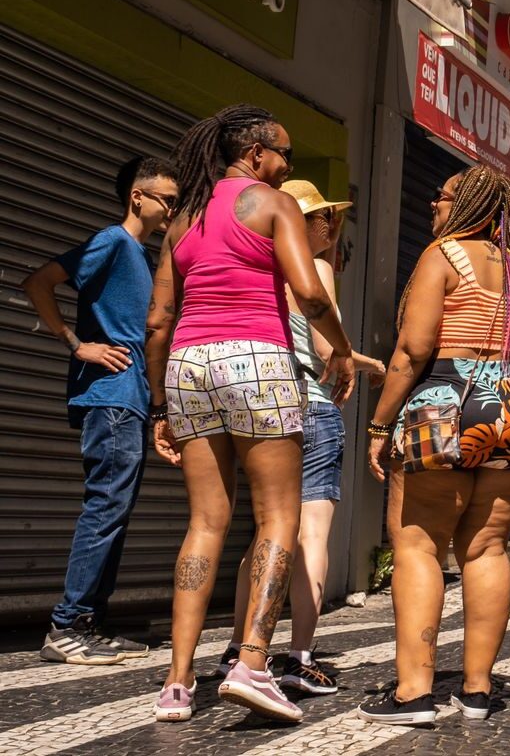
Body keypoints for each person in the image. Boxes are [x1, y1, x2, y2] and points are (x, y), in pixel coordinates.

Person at [145, 105, 355, 724]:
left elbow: (158, 320)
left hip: (189, 364)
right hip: (257, 359)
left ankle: (177, 684)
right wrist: (339, 348)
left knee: (206, 521)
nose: (288, 164)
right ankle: (253, 663)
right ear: (256, 154)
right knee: (279, 516)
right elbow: (311, 293)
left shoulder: (183, 218)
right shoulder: (272, 202)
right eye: (283, 153)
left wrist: (160, 404)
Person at [358, 166, 510, 726]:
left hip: (443, 397)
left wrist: (378, 425)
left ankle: (413, 692)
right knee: (487, 548)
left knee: (417, 545)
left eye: (439, 199)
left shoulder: (442, 255)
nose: (432, 209)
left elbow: (412, 350)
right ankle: (477, 691)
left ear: (463, 206)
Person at [224, 180, 384, 695]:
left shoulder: (257, 268)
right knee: (311, 533)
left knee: (264, 532)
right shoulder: (311, 268)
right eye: (326, 220)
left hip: (261, 405)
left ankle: (239, 646)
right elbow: (322, 346)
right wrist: (365, 361)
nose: (331, 230)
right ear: (304, 221)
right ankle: (298, 657)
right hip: (310, 406)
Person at [26, 156, 178, 666]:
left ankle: (89, 623)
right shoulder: (114, 241)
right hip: (110, 398)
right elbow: (38, 282)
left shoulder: (139, 254)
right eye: (167, 200)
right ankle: (66, 626)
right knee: (105, 507)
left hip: (131, 397)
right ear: (138, 196)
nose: (172, 210)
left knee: (116, 510)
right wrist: (77, 344)